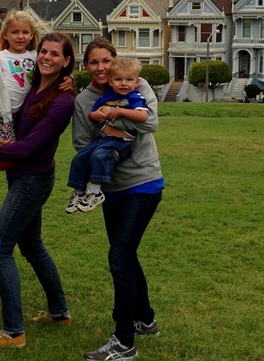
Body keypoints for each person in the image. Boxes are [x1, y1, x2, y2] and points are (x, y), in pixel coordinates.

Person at [0, 33, 75, 349]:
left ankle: (13, 332)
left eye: (55, 54)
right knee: (32, 246)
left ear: (66, 61)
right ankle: (59, 313)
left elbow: (29, 147)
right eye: (43, 52)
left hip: (32, 179)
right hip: (25, 176)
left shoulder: (62, 101)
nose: (46, 57)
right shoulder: (36, 87)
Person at [74, 38, 162, 361]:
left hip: (144, 182)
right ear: (87, 66)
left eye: (106, 61)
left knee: (119, 256)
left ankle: (124, 341)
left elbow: (150, 122)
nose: (101, 68)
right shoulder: (84, 100)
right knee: (125, 254)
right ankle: (145, 319)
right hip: (110, 188)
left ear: (115, 61)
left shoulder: (138, 85)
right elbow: (81, 143)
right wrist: (111, 138)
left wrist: (112, 117)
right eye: (93, 62)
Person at [0, 10, 73, 172]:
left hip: (14, 119)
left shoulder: (35, 57)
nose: (20, 37)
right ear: (5, 35)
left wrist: (70, 78)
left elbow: (55, 66)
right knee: (10, 157)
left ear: (32, 35)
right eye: (15, 32)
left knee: (11, 154)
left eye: (25, 32)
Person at [66, 57, 148, 214]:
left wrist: (119, 111)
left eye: (129, 80)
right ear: (110, 81)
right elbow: (92, 113)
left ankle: (95, 192)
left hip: (122, 142)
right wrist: (94, 115)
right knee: (80, 158)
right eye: (118, 79)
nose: (123, 83)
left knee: (100, 156)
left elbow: (143, 116)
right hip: (103, 139)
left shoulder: (134, 97)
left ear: (136, 82)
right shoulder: (107, 96)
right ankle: (79, 192)